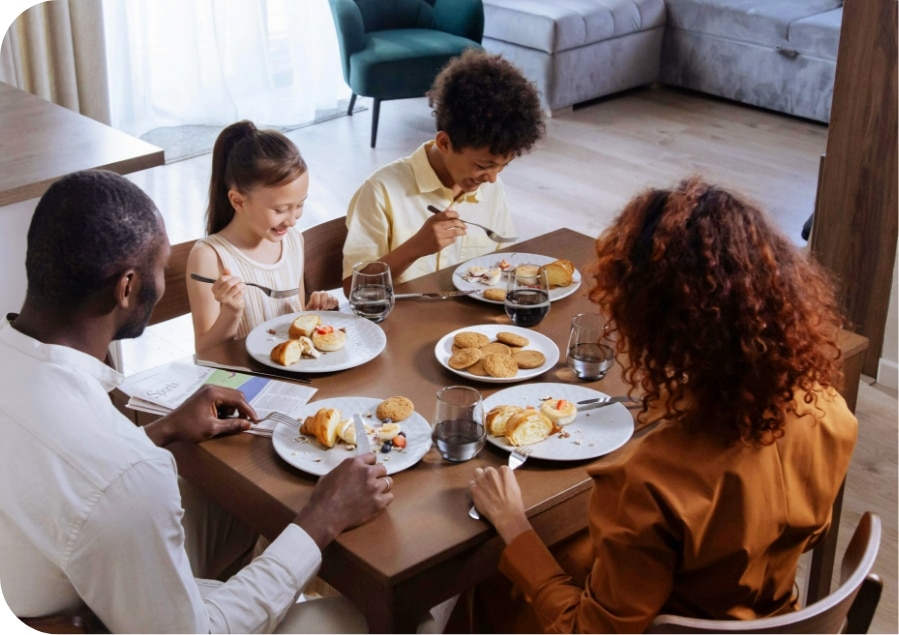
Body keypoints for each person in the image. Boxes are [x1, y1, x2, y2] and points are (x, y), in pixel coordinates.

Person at [0, 170, 393, 633]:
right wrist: (320, 520)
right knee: (391, 619)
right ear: (126, 287)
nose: (162, 282)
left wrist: (159, 431)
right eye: (161, 266)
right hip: (120, 619)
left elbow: (66, 475)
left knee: (233, 501)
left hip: (50, 581)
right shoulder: (126, 478)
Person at [467, 176, 858, 632]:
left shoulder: (650, 480)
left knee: (496, 577)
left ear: (651, 323)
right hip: (770, 611)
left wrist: (513, 524)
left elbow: (589, 631)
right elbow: (799, 534)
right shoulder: (830, 411)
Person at [341, 49, 545, 293]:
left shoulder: (491, 186)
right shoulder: (381, 191)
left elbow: (503, 262)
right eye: (483, 166)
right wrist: (415, 248)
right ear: (445, 143)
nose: (492, 178)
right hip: (405, 316)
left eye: (502, 166)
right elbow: (353, 288)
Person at [188, 120, 339, 353]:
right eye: (280, 210)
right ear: (238, 201)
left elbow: (293, 323)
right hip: (241, 373)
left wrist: (312, 314)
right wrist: (231, 312)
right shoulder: (209, 256)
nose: (292, 220)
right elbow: (205, 352)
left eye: (299, 205)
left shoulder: (293, 240)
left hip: (290, 368)